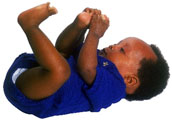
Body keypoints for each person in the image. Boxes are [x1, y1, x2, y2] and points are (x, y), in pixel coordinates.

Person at [3, 2, 169, 118]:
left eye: (122, 50)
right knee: (62, 56)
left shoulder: (114, 89)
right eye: (118, 43)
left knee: (61, 71)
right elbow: (61, 47)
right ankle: (36, 26)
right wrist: (80, 26)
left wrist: (94, 35)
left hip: (31, 96)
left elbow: (87, 69)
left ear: (129, 80)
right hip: (32, 72)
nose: (113, 46)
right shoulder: (96, 58)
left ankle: (30, 26)